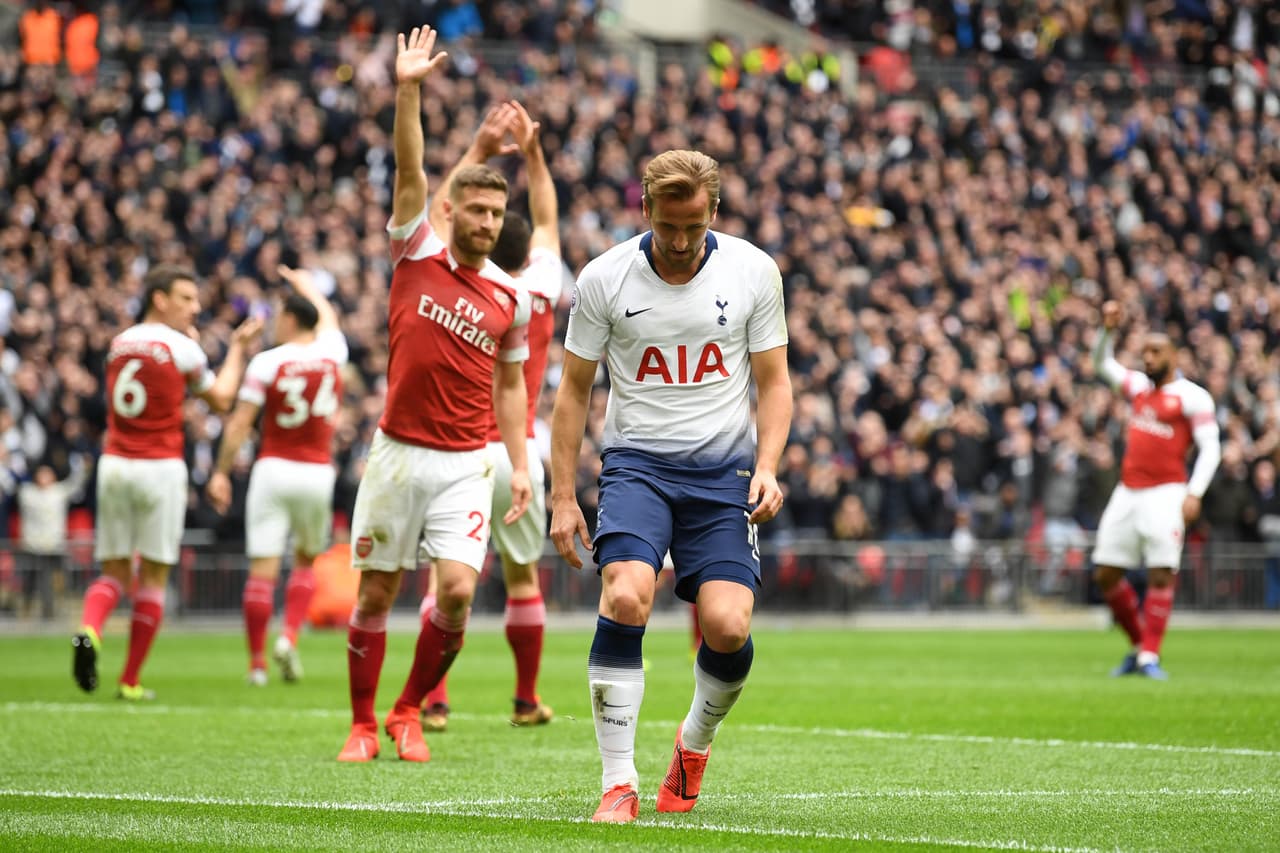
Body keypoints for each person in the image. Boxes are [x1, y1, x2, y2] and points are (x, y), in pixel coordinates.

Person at [550, 149, 792, 822]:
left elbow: (774, 381)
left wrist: (769, 463)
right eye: (668, 226)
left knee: (726, 622)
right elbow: (573, 392)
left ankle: (694, 744)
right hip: (637, 466)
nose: (681, 241)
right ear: (646, 210)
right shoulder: (604, 278)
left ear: (712, 211)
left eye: (693, 225)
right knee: (626, 594)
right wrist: (563, 493)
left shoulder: (752, 271)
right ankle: (618, 782)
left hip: (723, 475)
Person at [337, 25, 533, 764]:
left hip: (465, 463)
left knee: (455, 593)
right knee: (376, 595)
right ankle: (360, 724)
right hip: (395, 454)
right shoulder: (414, 249)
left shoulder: (509, 298)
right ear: (452, 214)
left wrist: (516, 463)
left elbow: (511, 384)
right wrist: (409, 89)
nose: (483, 223)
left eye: (494, 214)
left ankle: (408, 709)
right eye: (473, 211)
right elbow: (411, 167)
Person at [417, 100, 562, 732]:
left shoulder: (462, 279)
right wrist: (531, 154)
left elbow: (439, 209)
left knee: (445, 582)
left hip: (459, 448)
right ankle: (526, 699)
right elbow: (551, 220)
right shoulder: (539, 286)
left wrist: (479, 151)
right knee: (522, 577)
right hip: (517, 451)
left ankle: (433, 699)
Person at [73, 265, 261, 700]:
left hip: (115, 463)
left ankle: (89, 628)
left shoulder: (120, 342)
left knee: (114, 571)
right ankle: (130, 680)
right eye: (186, 299)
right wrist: (236, 349)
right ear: (160, 299)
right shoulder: (181, 347)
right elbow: (221, 399)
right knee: (154, 577)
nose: (195, 308)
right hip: (159, 467)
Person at [207, 265, 348, 687]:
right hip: (316, 472)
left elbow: (238, 424)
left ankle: (256, 664)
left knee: (262, 570)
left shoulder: (267, 363)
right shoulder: (332, 352)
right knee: (305, 561)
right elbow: (330, 319)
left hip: (273, 468)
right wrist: (307, 284)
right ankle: (288, 637)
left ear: (290, 320)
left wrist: (220, 472)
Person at [1090, 300, 1220, 680]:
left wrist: (1195, 492)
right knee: (1105, 574)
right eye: (1144, 351)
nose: (1147, 357)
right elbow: (1101, 364)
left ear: (1173, 355)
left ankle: (1150, 655)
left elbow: (1211, 446)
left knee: (1161, 572)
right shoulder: (1138, 389)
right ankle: (1137, 644)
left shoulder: (1192, 396)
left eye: (1155, 351)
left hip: (1166, 493)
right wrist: (1107, 330)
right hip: (1128, 491)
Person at [17, 454, 90, 620]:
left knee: (52, 581)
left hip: (54, 546)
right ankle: (25, 613)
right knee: (29, 582)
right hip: (32, 546)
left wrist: (83, 469)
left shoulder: (59, 492)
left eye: (48, 474)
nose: (45, 477)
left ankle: (50, 614)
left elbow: (76, 483)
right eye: (41, 474)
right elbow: (14, 482)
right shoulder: (28, 493)